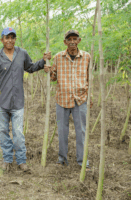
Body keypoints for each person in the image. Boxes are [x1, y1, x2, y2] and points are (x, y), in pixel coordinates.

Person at [0, 27, 51, 172]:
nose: (10, 40)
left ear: (15, 39)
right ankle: (7, 160)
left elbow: (31, 67)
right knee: (3, 132)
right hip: (1, 103)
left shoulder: (22, 54)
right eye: (6, 37)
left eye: (12, 37)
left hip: (18, 102)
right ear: (2, 40)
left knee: (18, 133)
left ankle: (21, 161)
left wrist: (43, 61)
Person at [44, 30, 92, 169]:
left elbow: (90, 79)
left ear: (79, 40)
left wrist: (91, 97)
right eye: (69, 39)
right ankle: (62, 159)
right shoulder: (58, 57)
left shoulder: (87, 57)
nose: (72, 41)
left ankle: (82, 161)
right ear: (65, 42)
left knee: (81, 131)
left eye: (74, 39)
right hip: (62, 100)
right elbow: (53, 77)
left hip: (80, 99)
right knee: (62, 130)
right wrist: (48, 69)